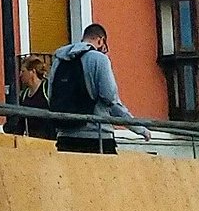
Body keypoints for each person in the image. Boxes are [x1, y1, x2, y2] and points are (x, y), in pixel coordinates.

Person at [47, 23, 151, 153]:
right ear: (100, 40)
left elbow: (51, 95)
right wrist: (139, 129)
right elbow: (110, 98)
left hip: (65, 137)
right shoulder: (99, 59)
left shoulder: (59, 60)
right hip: (97, 137)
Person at [4, 55, 57, 140]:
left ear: (32, 72)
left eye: (23, 71)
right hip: (33, 140)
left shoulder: (47, 88)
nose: (20, 75)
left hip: (49, 139)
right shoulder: (24, 94)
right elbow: (21, 120)